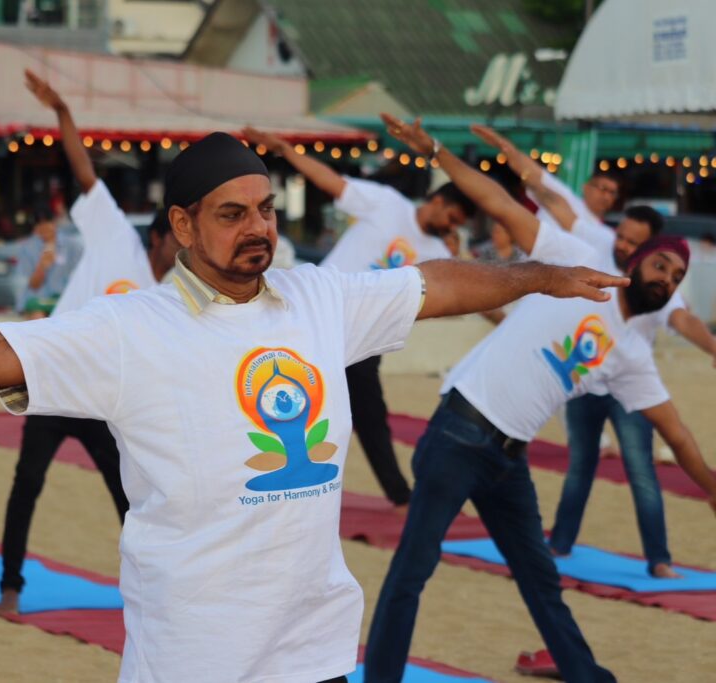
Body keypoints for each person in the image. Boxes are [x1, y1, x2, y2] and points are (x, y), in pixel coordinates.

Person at [0, 130, 626, 683]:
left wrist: (537, 275)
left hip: (314, 647)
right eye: (231, 214)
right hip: (194, 655)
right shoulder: (132, 326)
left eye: (266, 210)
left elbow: (435, 283)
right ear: (181, 225)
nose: (258, 228)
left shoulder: (319, 299)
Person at [365, 114, 716, 683]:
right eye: (660, 264)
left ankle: (586, 677)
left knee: (541, 582)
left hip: (508, 460)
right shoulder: (578, 261)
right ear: (635, 260)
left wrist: (712, 488)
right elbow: (501, 204)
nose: (666, 279)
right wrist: (436, 152)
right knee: (412, 571)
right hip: (460, 431)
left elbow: (677, 434)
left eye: (676, 276)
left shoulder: (632, 355)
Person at [474, 124, 716, 577]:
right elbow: (551, 197)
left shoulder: (660, 278)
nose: (622, 245)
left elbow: (684, 321)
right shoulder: (598, 242)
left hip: (627, 384)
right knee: (580, 466)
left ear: (652, 250)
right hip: (583, 378)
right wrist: (511, 153)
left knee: (642, 472)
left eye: (634, 243)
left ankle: (659, 559)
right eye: (622, 236)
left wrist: (713, 348)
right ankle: (561, 546)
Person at [0, 69, 182, 614]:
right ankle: (10, 587)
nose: (185, 250)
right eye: (178, 238)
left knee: (130, 496)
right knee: (27, 484)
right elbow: (83, 172)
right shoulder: (115, 236)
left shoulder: (170, 294)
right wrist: (62, 113)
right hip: (52, 382)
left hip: (102, 401)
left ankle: (152, 592)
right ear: (158, 236)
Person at [243, 126, 476, 510]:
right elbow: (330, 181)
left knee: (369, 415)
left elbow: (456, 291)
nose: (452, 227)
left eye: (457, 224)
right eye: (452, 217)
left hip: (366, 332)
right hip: (316, 314)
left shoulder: (436, 251)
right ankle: (285, 483)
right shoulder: (387, 204)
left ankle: (397, 494)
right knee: (286, 399)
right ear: (436, 200)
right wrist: (285, 149)